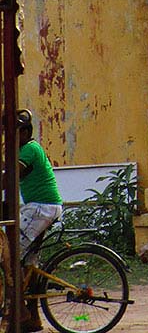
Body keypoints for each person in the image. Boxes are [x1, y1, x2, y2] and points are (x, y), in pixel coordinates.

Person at [17, 109, 63, 329]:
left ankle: (19, 310)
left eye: (15, 132)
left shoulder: (29, 149)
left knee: (9, 255)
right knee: (28, 263)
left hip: (40, 208)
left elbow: (11, 174)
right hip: (41, 207)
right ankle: (33, 318)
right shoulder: (25, 148)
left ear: (25, 132)